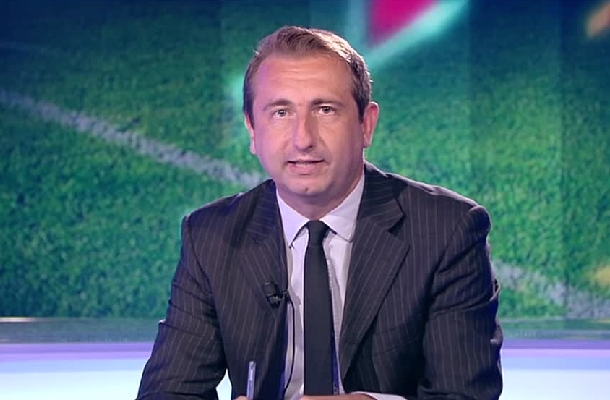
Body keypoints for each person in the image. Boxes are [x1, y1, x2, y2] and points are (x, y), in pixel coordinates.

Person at [136, 26, 503, 400]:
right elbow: (167, 392)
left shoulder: (447, 230)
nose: (303, 139)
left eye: (325, 110)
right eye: (281, 112)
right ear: (252, 129)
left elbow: (465, 394)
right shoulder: (211, 236)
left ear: (366, 124)